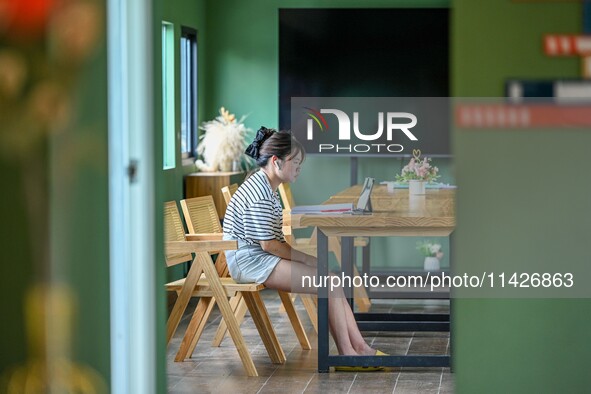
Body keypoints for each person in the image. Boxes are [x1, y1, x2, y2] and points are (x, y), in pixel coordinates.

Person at [223, 127, 386, 365]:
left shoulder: (266, 185)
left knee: (331, 280)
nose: (299, 167)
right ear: (276, 162)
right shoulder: (259, 191)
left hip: (261, 258)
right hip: (252, 262)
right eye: (296, 162)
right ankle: (348, 355)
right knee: (327, 283)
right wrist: (307, 259)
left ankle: (359, 347)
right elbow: (269, 244)